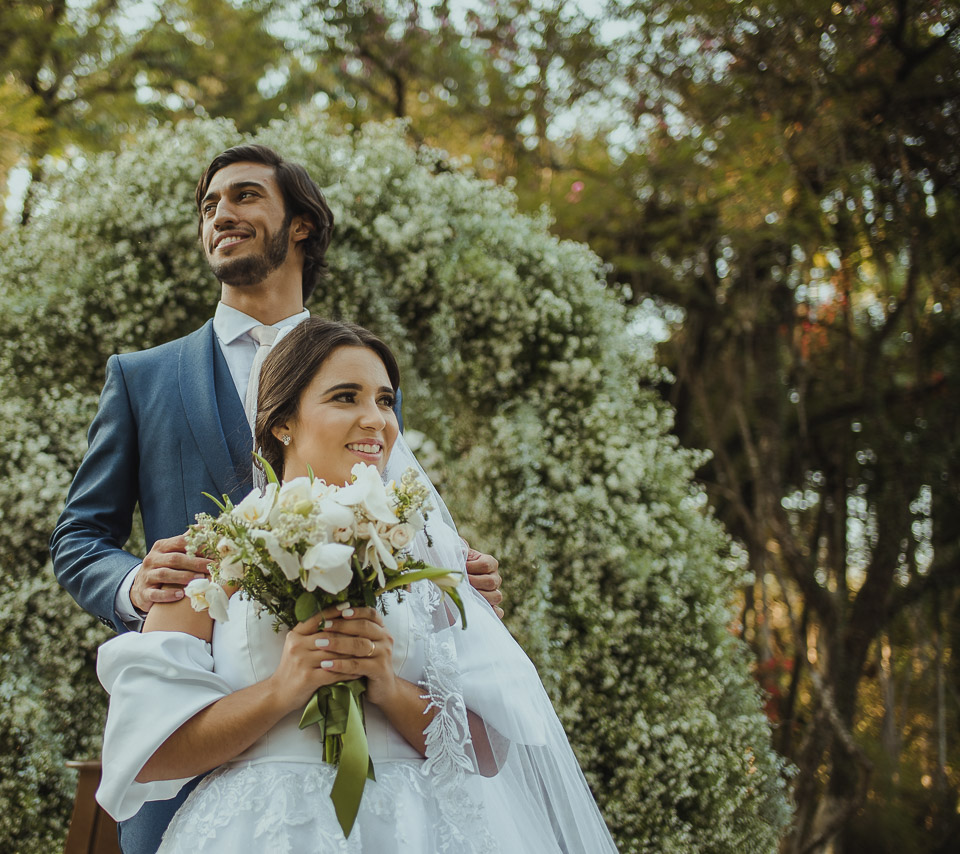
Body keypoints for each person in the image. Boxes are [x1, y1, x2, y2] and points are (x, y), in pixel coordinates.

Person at [50, 144, 505, 853]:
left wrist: (447, 578)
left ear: (301, 225)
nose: (220, 215)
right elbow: (78, 539)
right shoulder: (142, 378)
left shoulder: (362, 377)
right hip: (205, 759)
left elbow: (394, 506)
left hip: (395, 795)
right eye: (208, 206)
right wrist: (140, 584)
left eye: (242, 197)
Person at [94, 318, 618, 853]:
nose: (376, 420)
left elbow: (488, 749)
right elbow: (153, 751)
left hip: (416, 832)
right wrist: (281, 689)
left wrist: (389, 685)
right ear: (282, 423)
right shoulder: (213, 553)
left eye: (386, 401)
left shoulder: (428, 553)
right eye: (346, 398)